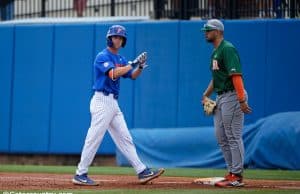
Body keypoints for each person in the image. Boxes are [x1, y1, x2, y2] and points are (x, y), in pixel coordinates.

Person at [72, 25, 165, 186]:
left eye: (120, 37)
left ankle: (142, 171)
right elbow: (113, 73)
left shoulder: (121, 59)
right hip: (102, 101)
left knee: (125, 138)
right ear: (109, 38)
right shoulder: (102, 56)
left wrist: (140, 67)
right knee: (94, 138)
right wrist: (133, 63)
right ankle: (81, 173)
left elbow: (133, 76)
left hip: (113, 103)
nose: (118, 39)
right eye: (115, 36)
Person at [201, 19, 252, 187]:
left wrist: (241, 100)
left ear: (218, 32)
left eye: (208, 30)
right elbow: (217, 79)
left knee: (232, 135)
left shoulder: (227, 49)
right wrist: (205, 95)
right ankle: (231, 172)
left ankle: (237, 176)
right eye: (205, 30)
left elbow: (235, 75)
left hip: (232, 96)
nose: (205, 32)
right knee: (221, 137)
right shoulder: (216, 52)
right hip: (221, 97)